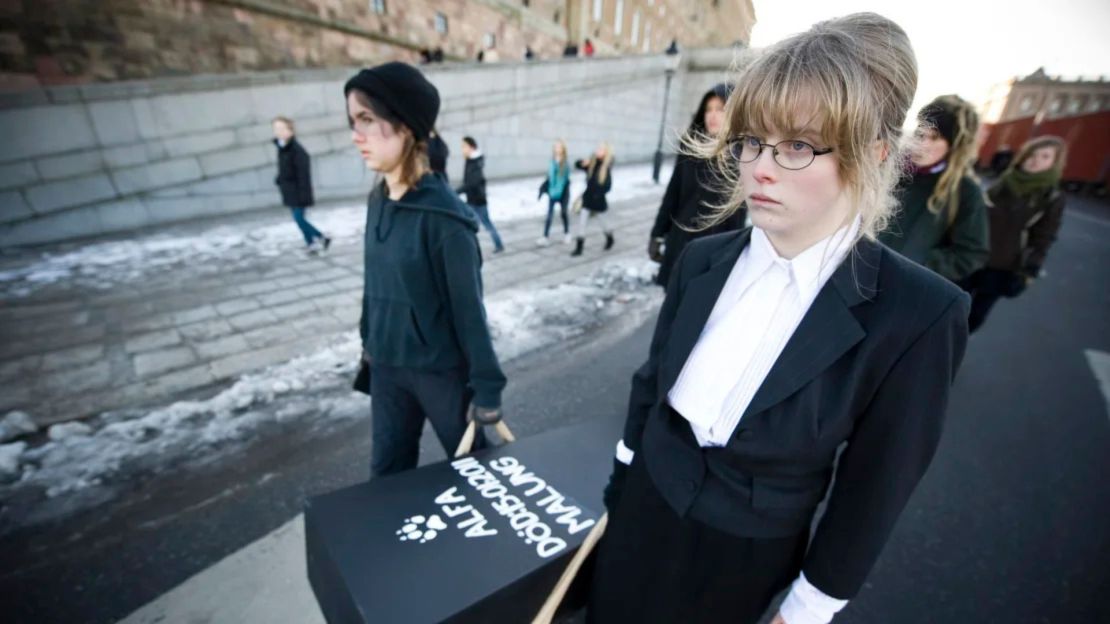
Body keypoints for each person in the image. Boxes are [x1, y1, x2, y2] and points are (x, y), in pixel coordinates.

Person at [591, 13, 970, 624]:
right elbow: (651, 383)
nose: (759, 168)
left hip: (744, 555)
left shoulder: (919, 315)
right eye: (751, 141)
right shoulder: (702, 258)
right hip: (642, 506)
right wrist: (621, 481)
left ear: (872, 155)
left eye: (797, 145)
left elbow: (874, 489)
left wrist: (808, 607)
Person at [344, 62, 507, 477]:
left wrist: (487, 387)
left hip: (439, 372)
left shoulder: (446, 220)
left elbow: (469, 310)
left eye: (367, 119)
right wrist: (369, 337)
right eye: (352, 121)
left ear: (405, 127)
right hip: (386, 366)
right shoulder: (378, 199)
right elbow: (373, 282)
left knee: (477, 474)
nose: (355, 135)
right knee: (388, 476)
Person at [879, 94, 989, 283]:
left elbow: (971, 254)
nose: (923, 144)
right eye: (920, 134)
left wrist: (918, 262)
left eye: (935, 138)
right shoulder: (888, 167)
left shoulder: (963, 190)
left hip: (899, 286)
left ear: (952, 146)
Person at [964, 135, 1067, 332]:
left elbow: (1044, 237)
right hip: (972, 255)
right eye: (1032, 154)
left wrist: (1029, 271)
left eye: (1045, 157)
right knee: (952, 305)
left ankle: (949, 352)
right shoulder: (1005, 181)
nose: (1035, 160)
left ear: (1054, 164)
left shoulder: (1052, 197)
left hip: (1003, 265)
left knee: (975, 316)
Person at [649, 83, 746, 287]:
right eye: (708, 109)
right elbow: (673, 193)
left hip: (716, 248)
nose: (712, 115)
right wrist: (657, 233)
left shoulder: (744, 154)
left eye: (720, 109)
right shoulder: (690, 148)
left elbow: (739, 214)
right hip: (680, 240)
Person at [271, 116, 330, 253]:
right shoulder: (282, 148)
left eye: (281, 129)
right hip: (289, 191)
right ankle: (311, 243)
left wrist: (304, 196)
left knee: (299, 219)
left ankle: (322, 237)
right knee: (298, 220)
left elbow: (303, 176)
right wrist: (279, 179)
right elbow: (285, 169)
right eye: (276, 129)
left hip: (298, 193)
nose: (278, 132)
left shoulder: (297, 151)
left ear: (290, 131)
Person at [456, 136, 504, 253]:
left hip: (478, 200)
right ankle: (472, 247)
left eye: (464, 146)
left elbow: (472, 183)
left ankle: (498, 245)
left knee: (484, 224)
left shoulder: (475, 162)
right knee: (472, 225)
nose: (462, 149)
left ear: (471, 147)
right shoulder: (471, 160)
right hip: (472, 199)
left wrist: (455, 192)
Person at [570, 143, 614, 257]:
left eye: (601, 149)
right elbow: (577, 165)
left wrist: (597, 194)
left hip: (599, 202)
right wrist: (582, 162)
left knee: (604, 224)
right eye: (598, 149)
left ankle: (609, 238)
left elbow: (608, 187)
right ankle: (579, 248)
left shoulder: (606, 167)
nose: (598, 151)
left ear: (605, 153)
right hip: (587, 199)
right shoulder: (592, 164)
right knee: (582, 223)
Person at [536, 139, 572, 246]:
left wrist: (560, 191)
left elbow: (564, 180)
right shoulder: (552, 161)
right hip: (553, 192)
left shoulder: (565, 163)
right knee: (549, 215)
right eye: (555, 147)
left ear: (563, 149)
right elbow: (550, 177)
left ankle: (567, 233)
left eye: (559, 147)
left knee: (564, 213)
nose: (557, 149)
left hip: (563, 193)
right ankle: (545, 236)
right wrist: (545, 189)